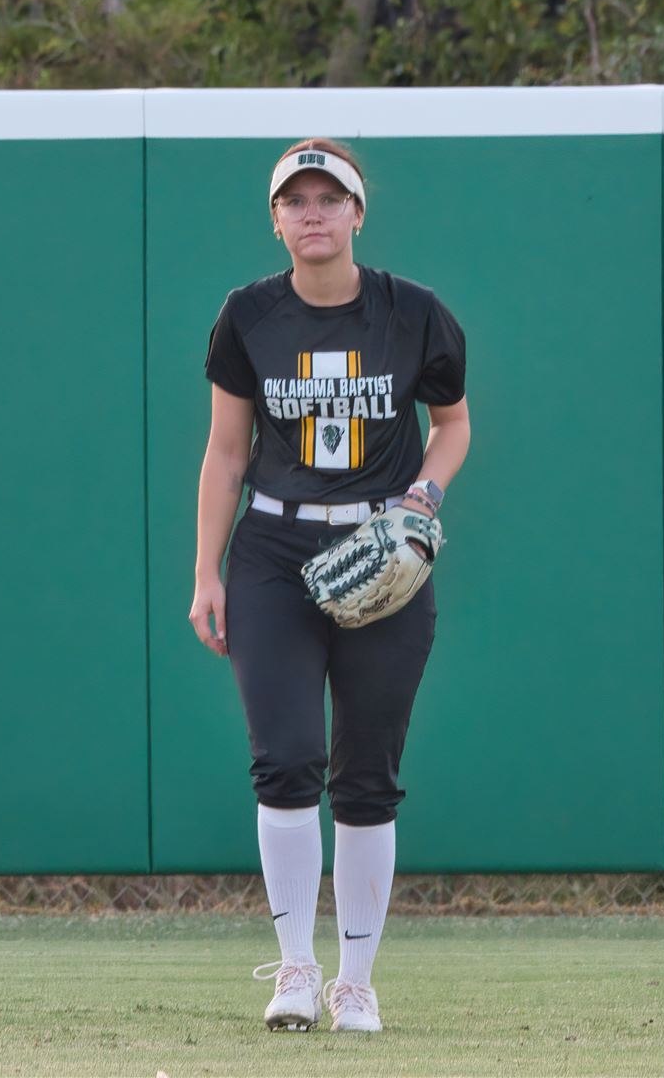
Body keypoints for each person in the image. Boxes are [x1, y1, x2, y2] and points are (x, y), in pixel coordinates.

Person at [188, 138, 470, 1033]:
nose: (312, 213)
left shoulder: (414, 313)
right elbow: (226, 451)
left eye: (328, 197)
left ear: (358, 212)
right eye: (295, 200)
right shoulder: (248, 316)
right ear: (275, 219)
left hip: (381, 552)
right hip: (274, 551)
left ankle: (357, 980)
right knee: (284, 762)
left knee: (366, 776)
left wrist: (424, 492)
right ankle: (297, 972)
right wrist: (207, 571)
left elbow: (454, 424)